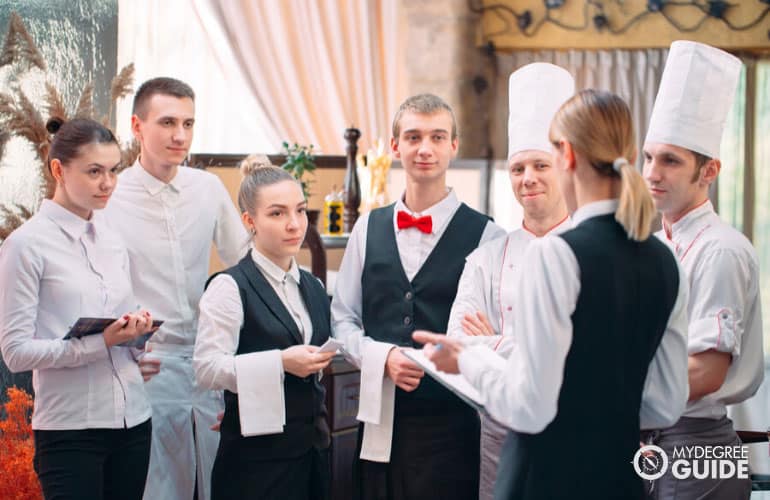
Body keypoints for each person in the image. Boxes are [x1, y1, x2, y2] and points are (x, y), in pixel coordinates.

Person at [415, 89, 690, 500]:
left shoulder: (557, 254)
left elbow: (530, 406)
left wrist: (467, 357)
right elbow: (666, 404)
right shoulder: (666, 260)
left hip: (545, 480)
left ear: (568, 154)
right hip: (620, 482)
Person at [332, 93, 505, 500]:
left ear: (453, 147)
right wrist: (382, 357)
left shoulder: (489, 236)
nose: (424, 148)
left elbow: (496, 333)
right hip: (380, 419)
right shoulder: (366, 229)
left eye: (437, 137)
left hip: (454, 425)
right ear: (395, 147)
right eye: (412, 137)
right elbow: (342, 318)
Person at [104, 77, 248, 500]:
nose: (180, 135)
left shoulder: (208, 189)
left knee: (219, 481)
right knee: (156, 488)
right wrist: (119, 354)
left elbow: (245, 264)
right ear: (136, 126)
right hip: (144, 365)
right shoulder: (110, 195)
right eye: (167, 122)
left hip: (209, 362)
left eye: (188, 123)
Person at [0, 117, 157, 499]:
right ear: (58, 170)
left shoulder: (113, 241)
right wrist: (98, 344)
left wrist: (138, 342)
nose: (108, 183)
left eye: (113, 170)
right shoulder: (25, 246)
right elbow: (15, 352)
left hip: (134, 421)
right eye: (94, 172)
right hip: (70, 431)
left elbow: (118, 325)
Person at [641, 40, 764, 499]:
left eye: (670, 160)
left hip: (697, 446)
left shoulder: (722, 250)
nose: (652, 173)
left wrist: (610, 391)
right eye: (649, 157)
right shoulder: (652, 248)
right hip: (653, 442)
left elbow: (705, 373)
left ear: (709, 170)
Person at [445, 62, 573, 500]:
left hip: (575, 432)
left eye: (541, 165)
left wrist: (495, 341)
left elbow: (584, 349)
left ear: (565, 166)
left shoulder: (591, 250)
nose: (528, 178)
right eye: (518, 168)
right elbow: (456, 345)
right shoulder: (486, 256)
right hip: (499, 436)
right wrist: (530, 346)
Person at [193, 155, 334, 499]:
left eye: (300, 211)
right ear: (249, 220)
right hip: (255, 465)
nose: (294, 224)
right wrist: (280, 363)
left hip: (312, 455)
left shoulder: (313, 287)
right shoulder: (230, 287)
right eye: (277, 213)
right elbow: (206, 369)